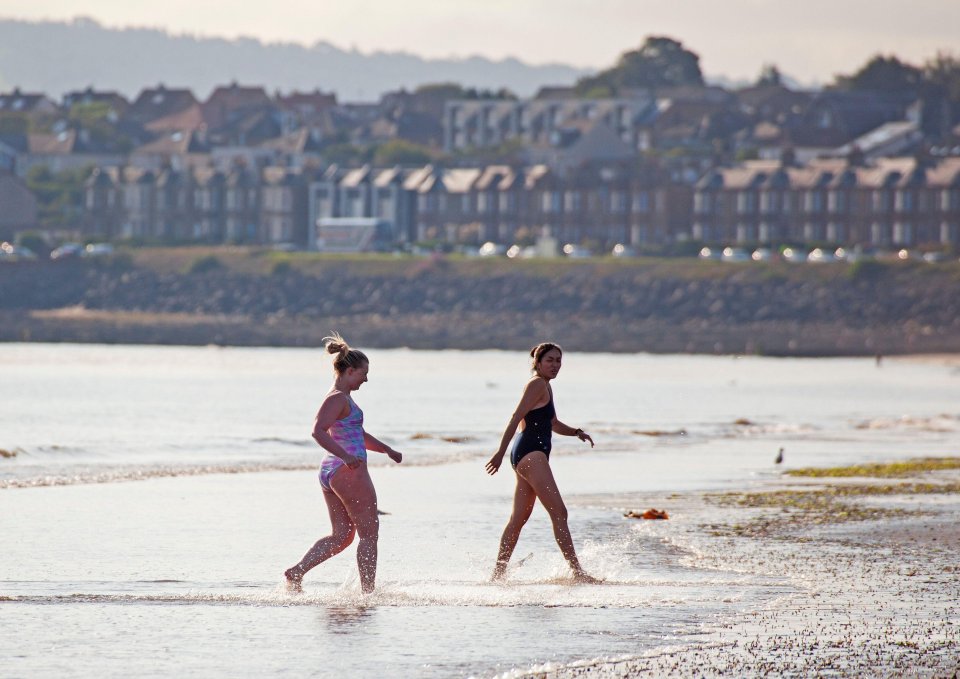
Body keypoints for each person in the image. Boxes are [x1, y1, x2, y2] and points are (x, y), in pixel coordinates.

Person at [285, 334, 403, 594]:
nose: (366, 379)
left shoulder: (342, 399)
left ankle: (297, 572)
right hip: (347, 470)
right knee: (369, 533)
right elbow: (317, 431)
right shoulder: (337, 397)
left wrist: (386, 449)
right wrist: (348, 458)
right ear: (350, 370)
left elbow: (355, 434)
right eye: (364, 373)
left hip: (332, 470)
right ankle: (368, 592)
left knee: (342, 536)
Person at [485, 342, 598, 583]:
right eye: (550, 360)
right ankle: (578, 573)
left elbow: (553, 424)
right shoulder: (537, 384)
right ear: (537, 362)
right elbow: (516, 417)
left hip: (527, 455)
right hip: (531, 454)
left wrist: (576, 432)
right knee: (560, 512)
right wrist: (499, 452)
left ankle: (497, 575)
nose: (555, 365)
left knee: (518, 519)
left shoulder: (545, 386)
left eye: (558, 361)